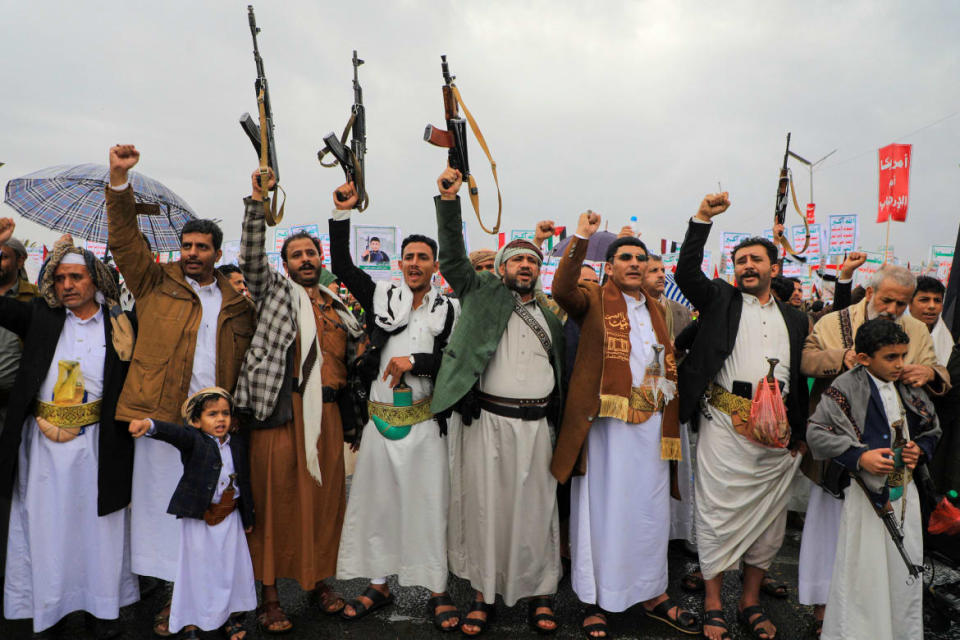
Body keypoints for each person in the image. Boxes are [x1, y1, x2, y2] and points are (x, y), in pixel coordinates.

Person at [106, 145, 256, 636]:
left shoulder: (235, 301)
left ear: (216, 253)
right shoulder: (155, 281)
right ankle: (175, 601)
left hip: (215, 428)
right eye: (186, 246)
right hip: (161, 418)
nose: (192, 253)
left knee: (213, 515)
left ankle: (213, 599)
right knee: (164, 514)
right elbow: (126, 242)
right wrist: (120, 182)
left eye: (201, 247)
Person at [551, 211, 699, 638]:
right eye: (626, 258)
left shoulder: (658, 309)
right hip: (607, 433)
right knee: (603, 511)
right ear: (610, 267)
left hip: (653, 427)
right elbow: (561, 289)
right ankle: (597, 598)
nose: (634, 264)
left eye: (641, 258)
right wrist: (581, 236)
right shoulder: (592, 298)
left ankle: (652, 592)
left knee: (649, 511)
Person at [432, 167, 564, 636]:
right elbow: (451, 261)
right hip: (486, 423)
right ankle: (483, 597)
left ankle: (539, 594)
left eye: (532, 262)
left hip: (538, 429)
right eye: (516, 261)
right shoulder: (482, 293)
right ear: (501, 268)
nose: (524, 267)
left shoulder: (550, 315)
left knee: (537, 512)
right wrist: (449, 202)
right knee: (485, 511)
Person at [675, 193, 811, 640]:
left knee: (771, 523)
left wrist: (800, 433)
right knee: (716, 513)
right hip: (725, 424)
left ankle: (749, 601)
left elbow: (799, 379)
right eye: (740, 261)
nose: (747, 266)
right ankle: (714, 601)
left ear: (774, 268)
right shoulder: (720, 299)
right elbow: (686, 273)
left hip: (777, 437)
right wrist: (701, 220)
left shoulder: (795, 318)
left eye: (756, 260)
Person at [233, 168, 363, 632]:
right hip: (281, 415)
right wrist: (256, 202)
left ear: (320, 258)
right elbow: (250, 258)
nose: (305, 260)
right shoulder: (274, 293)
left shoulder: (335, 302)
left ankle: (317, 583)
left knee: (324, 504)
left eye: (311, 253)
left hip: (328, 416)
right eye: (296, 254)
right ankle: (269, 597)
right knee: (275, 505)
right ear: (284, 263)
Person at [327, 181, 462, 630]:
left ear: (435, 266)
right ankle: (379, 584)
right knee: (379, 507)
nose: (415, 264)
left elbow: (456, 364)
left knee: (428, 506)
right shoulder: (381, 299)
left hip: (426, 427)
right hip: (381, 426)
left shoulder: (450, 309)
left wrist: (417, 362)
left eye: (424, 258)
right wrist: (342, 214)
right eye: (409, 257)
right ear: (400, 263)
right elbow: (344, 266)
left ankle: (437, 589)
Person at [0, 227, 139, 639]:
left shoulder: (121, 324)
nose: (66, 285)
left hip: (99, 446)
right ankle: (52, 614)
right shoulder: (40, 316)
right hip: (43, 450)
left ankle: (101, 614)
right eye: (60, 278)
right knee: (47, 531)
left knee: (100, 534)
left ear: (95, 280)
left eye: (75, 277)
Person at [798, 264, 948, 636]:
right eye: (887, 300)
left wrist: (920, 449)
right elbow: (816, 418)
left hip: (902, 489)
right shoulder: (836, 328)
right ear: (869, 293)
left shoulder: (912, 342)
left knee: (899, 560)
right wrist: (858, 456)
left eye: (902, 302)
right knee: (854, 558)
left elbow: (931, 421)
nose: (895, 308)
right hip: (850, 482)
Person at [129, 388, 256, 640]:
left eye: (225, 413)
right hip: (200, 520)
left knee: (229, 570)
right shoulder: (193, 441)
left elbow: (245, 483)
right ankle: (190, 623)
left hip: (230, 519)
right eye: (212, 414)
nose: (220, 419)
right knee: (196, 571)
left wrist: (249, 518)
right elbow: (173, 433)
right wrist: (149, 425)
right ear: (196, 421)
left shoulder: (237, 444)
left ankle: (229, 618)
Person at [0, 231, 38, 578]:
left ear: (20, 261)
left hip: (14, 407)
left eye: (3, 255)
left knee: (12, 484)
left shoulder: (33, 300)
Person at [908, 275, 954, 365]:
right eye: (924, 300)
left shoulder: (944, 335)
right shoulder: (898, 331)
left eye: (937, 300)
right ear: (909, 302)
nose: (932, 306)